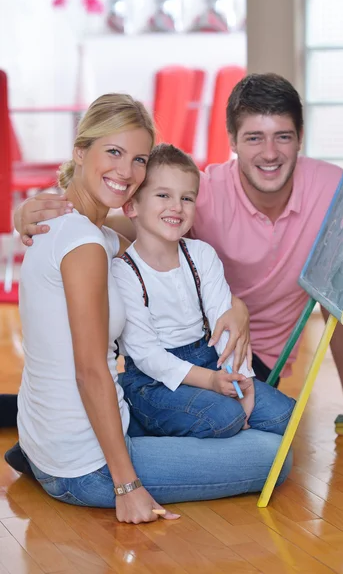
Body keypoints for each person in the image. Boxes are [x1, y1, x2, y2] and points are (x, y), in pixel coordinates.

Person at [14, 73, 343, 411]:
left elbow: (339, 295)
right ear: (231, 140)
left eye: (283, 137)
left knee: (251, 425)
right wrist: (44, 215)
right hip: (180, 345)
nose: (269, 153)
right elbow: (131, 223)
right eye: (253, 138)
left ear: (300, 138)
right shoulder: (205, 192)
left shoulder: (335, 190)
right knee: (121, 399)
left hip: (252, 358)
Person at [4, 92, 293, 524]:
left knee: (266, 421)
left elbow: (158, 247)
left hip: (54, 438)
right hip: (85, 466)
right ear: (80, 152)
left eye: (139, 159)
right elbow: (90, 371)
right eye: (114, 152)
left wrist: (236, 306)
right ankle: (103, 469)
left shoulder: (82, 229)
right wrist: (128, 486)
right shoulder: (84, 245)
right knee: (275, 457)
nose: (127, 171)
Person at [112, 142, 295, 438]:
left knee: (284, 415)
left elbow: (225, 326)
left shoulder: (202, 255)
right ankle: (137, 419)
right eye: (163, 195)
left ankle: (227, 440)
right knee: (223, 418)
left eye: (187, 198)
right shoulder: (124, 272)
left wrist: (242, 381)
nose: (176, 207)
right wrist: (211, 382)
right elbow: (146, 355)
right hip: (153, 381)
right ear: (132, 206)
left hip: (209, 360)